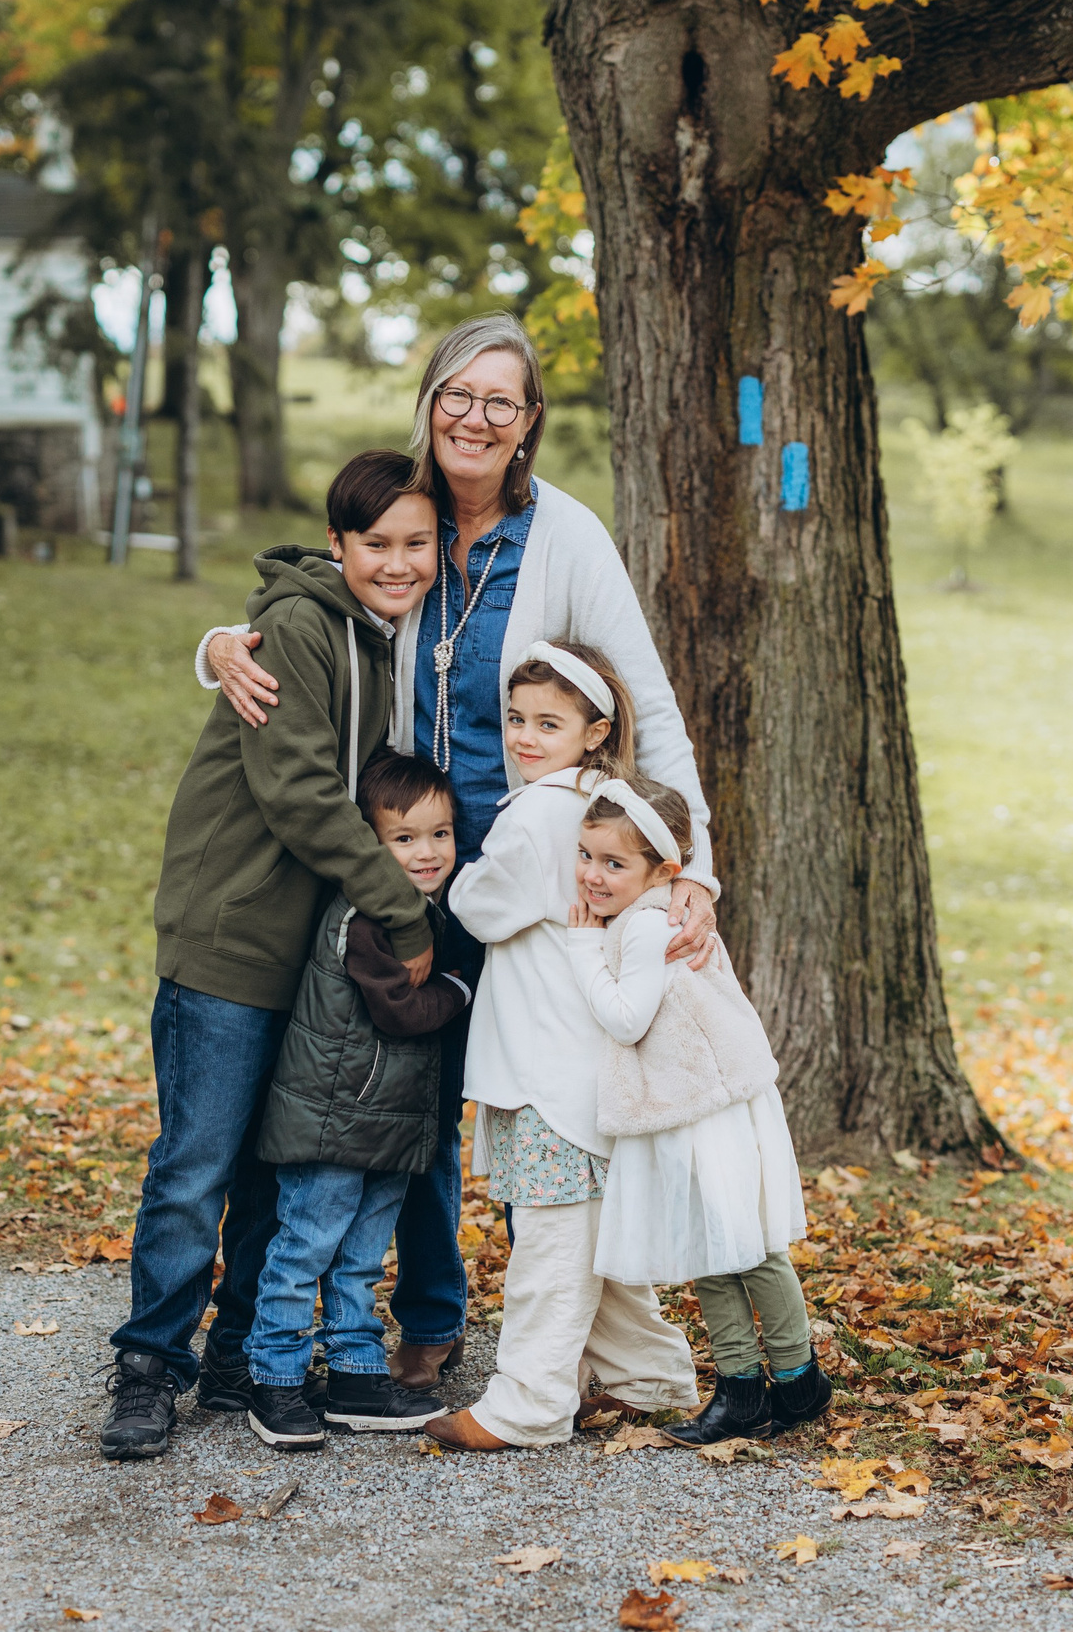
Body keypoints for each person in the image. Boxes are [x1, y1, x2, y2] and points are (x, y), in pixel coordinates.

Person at [194, 313, 721, 1390]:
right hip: (405, 864)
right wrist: (210, 650)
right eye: (457, 395)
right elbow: (298, 611)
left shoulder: (564, 536)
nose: (475, 418)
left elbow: (646, 704)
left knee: (544, 1100)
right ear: (429, 403)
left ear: (527, 423)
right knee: (414, 1090)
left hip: (536, 877)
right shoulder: (407, 518)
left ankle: (561, 1341)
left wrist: (693, 865)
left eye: (501, 401)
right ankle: (426, 1318)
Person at [100, 450, 440, 1462]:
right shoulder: (299, 628)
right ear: (337, 547)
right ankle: (148, 1362)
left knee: (270, 1165)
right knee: (195, 1166)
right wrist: (403, 913)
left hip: (307, 958)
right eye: (375, 543)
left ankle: (240, 1353)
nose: (396, 561)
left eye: (414, 543)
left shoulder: (379, 640)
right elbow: (298, 793)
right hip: (231, 937)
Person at [421, 642, 698, 1451]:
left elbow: (475, 903)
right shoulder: (605, 804)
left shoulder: (542, 812)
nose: (525, 736)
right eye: (515, 718)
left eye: (549, 721)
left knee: (549, 1243)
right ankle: (656, 1380)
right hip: (577, 1062)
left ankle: (529, 1403)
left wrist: (468, 877)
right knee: (591, 1244)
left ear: (595, 728)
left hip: (547, 1065)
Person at [564, 773, 829, 1443]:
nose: (593, 875)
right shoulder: (647, 915)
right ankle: (741, 1386)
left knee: (747, 1247)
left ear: (664, 870)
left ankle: (798, 1378)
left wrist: (584, 952)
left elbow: (627, 1019)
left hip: (704, 1111)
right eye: (587, 855)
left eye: (614, 863)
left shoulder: (647, 927)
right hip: (683, 1106)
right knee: (713, 1248)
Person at [243, 751, 481, 1451]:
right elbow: (399, 1011)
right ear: (370, 845)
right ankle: (275, 1377)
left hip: (387, 1124)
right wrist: (461, 991)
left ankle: (354, 1370)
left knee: (361, 1256)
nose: (427, 851)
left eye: (440, 833)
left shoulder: (426, 912)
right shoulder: (369, 916)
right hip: (334, 1119)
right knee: (305, 1248)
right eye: (404, 838)